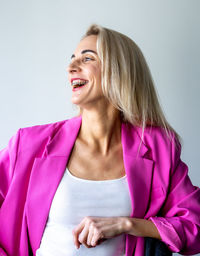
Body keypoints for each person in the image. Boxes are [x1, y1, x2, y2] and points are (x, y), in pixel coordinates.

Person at [0, 24, 200, 256]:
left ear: (118, 71)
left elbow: (194, 226)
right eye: (72, 58)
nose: (71, 67)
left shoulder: (159, 147)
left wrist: (128, 225)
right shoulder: (28, 144)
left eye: (87, 59)